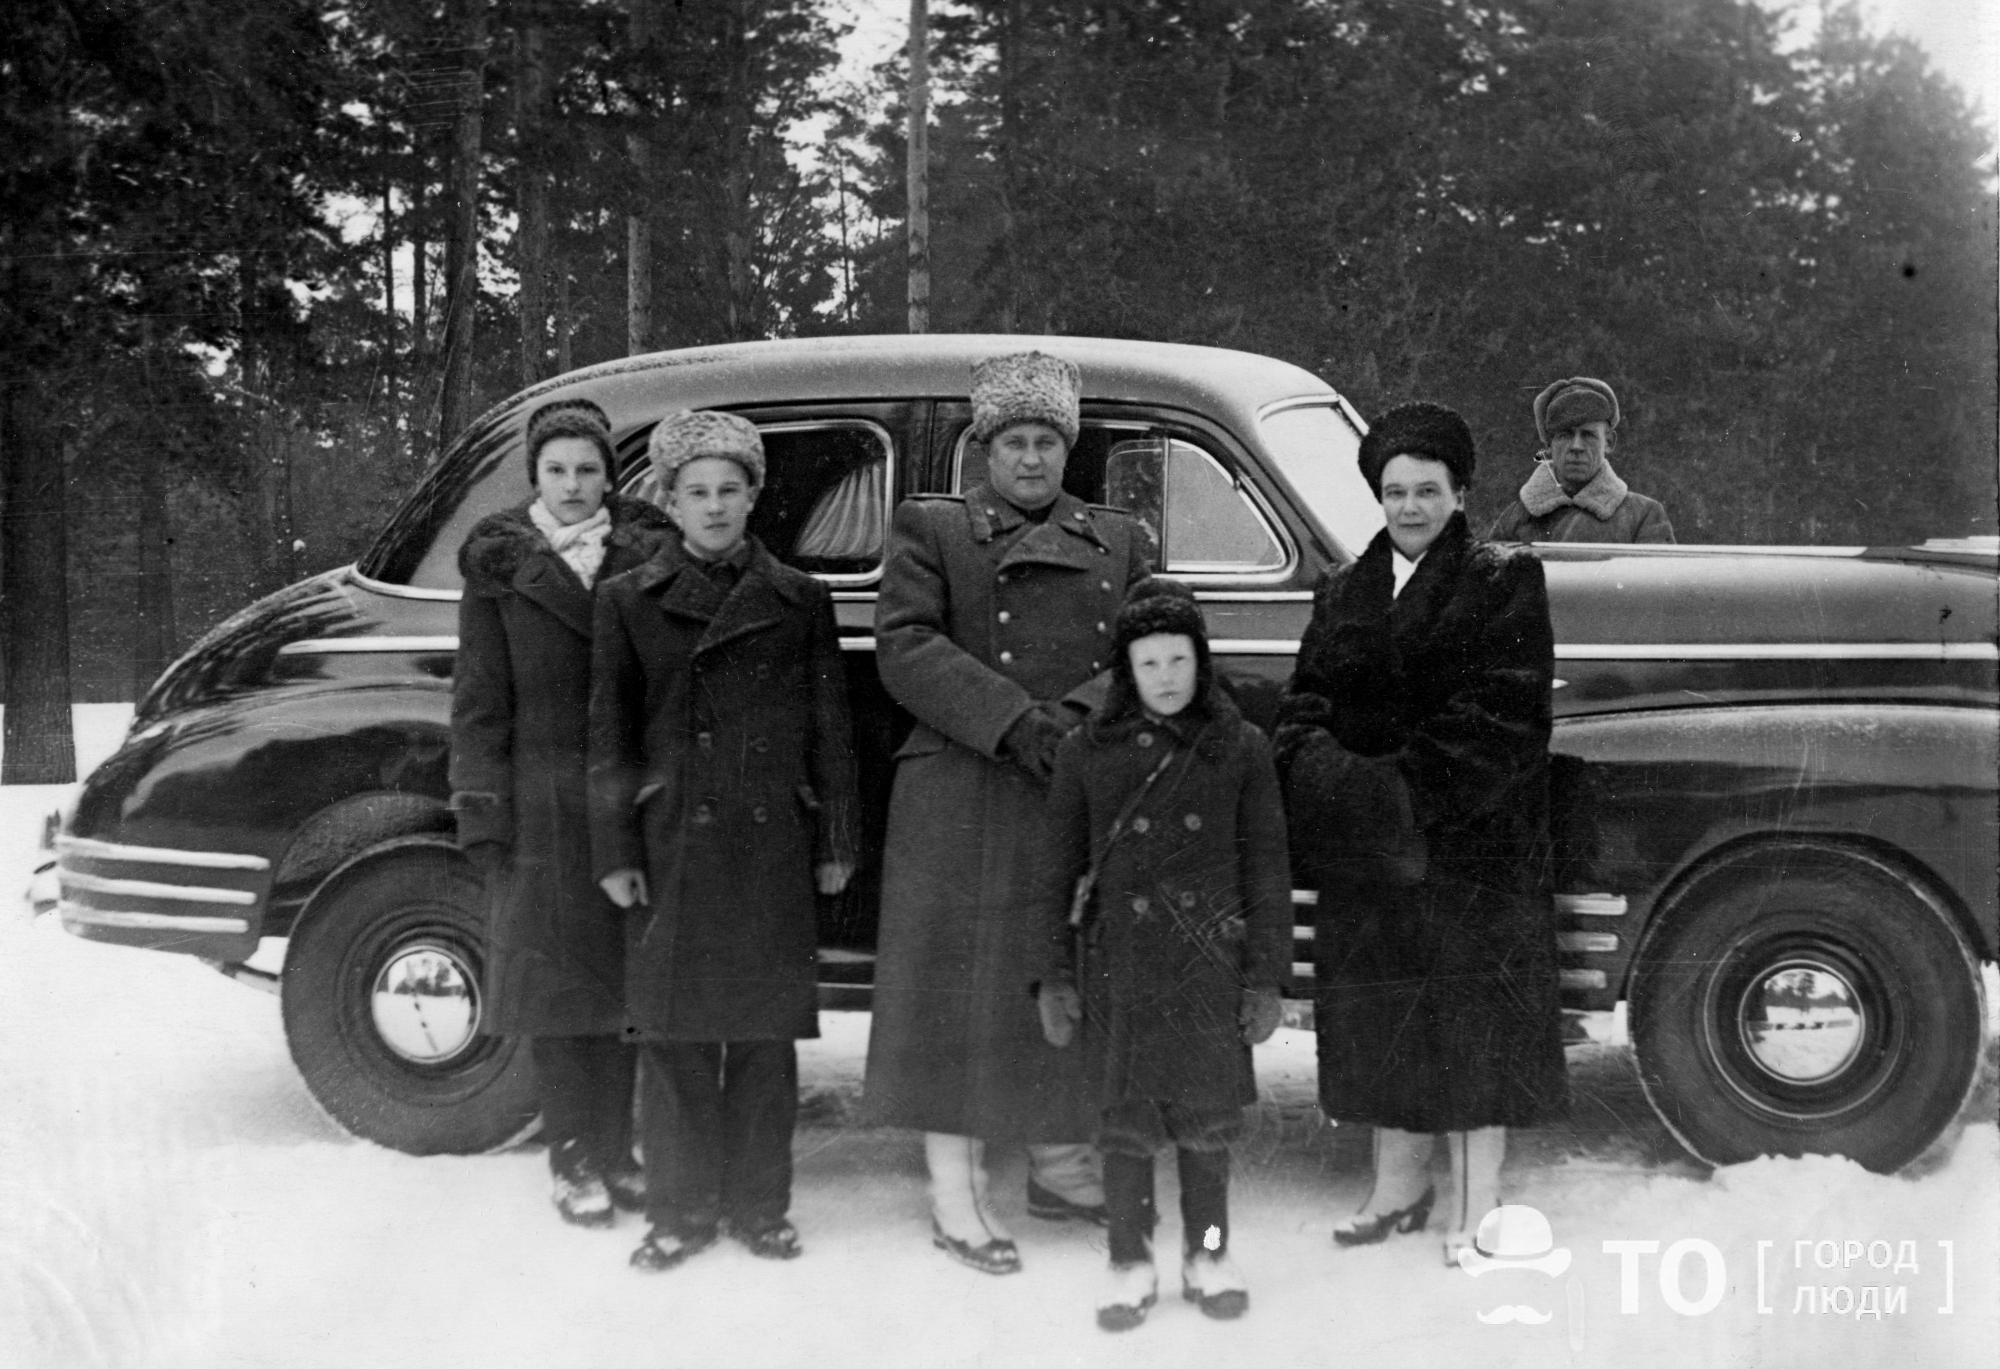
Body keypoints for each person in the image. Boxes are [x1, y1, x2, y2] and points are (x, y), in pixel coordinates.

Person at [863, 350, 1152, 1275]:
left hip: (1073, 775)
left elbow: (1161, 642)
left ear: (1068, 448)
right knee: (955, 984)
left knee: (1062, 963)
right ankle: (955, 1190)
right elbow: (904, 644)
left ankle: (1063, 1164)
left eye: (1046, 441)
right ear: (982, 446)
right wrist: (1011, 719)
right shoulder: (933, 527)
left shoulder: (1121, 537)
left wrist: (1071, 719)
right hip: (960, 779)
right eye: (1013, 440)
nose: (1030, 459)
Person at [1275, 401, 1568, 1266]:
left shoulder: (1504, 578)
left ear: (1459, 491)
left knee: (1471, 1024)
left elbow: (1507, 717)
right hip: (1371, 849)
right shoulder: (1343, 588)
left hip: (1470, 844)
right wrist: (1341, 781)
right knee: (1383, 1018)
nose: (1409, 507)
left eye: (1427, 491)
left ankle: (1479, 1206)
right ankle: (1398, 1187)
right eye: (1395, 491)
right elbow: (1304, 708)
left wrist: (1400, 788)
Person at [588, 410, 859, 1272]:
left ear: (754, 495)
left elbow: (830, 727)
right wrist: (616, 852)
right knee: (671, 1038)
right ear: (668, 500)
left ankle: (759, 1206)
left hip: (769, 839)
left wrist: (836, 838)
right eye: (695, 492)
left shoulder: (798, 599)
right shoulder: (630, 600)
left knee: (762, 1038)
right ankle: (679, 1211)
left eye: (729, 490)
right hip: (671, 843)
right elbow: (609, 737)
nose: (713, 506)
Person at [1033, 577, 1292, 1331]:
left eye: (1179, 659)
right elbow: (1057, 869)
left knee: (1208, 1128)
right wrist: (1053, 973)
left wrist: (1265, 977)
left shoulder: (1240, 747)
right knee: (1125, 1126)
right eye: (1149, 663)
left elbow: (1267, 871)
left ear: (1200, 661)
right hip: (1121, 967)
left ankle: (1209, 1251)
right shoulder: (1087, 750)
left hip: (1207, 968)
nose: (1167, 677)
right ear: (1127, 670)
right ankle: (1128, 1256)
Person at [449, 398, 673, 1227]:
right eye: (556, 470)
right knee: (555, 983)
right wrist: (482, 808)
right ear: (533, 476)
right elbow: (479, 700)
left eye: (587, 469)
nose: (573, 485)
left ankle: (619, 1149)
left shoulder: (645, 554)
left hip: (624, 800)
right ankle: (572, 1154)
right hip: (543, 805)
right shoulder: (502, 568)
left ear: (611, 476)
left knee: (621, 984)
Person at [1486, 376, 1675, 543]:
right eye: (1565, 435)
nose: (1576, 446)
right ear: (1548, 445)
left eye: (1588, 435)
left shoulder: (1643, 517)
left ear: (1609, 442)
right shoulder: (1514, 520)